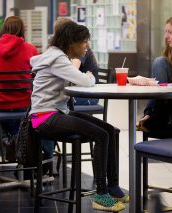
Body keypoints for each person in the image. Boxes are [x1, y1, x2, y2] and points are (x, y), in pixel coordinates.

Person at [30, 21, 127, 211]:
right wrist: (90, 76)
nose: (86, 46)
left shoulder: (57, 56)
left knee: (109, 130)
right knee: (102, 135)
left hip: (55, 113)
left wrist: (84, 77)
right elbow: (85, 80)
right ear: (71, 42)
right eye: (84, 42)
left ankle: (113, 187)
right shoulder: (58, 59)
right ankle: (101, 194)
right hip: (45, 117)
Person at [0, 15, 39, 155]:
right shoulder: (31, 50)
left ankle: (11, 140)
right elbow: (37, 77)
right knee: (38, 116)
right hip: (25, 106)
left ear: (3, 30)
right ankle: (20, 143)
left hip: (0, 105)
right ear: (22, 31)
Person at [54, 17, 99, 105]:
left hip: (88, 94)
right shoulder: (66, 49)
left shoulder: (80, 49)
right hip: (79, 90)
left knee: (58, 101)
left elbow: (71, 71)